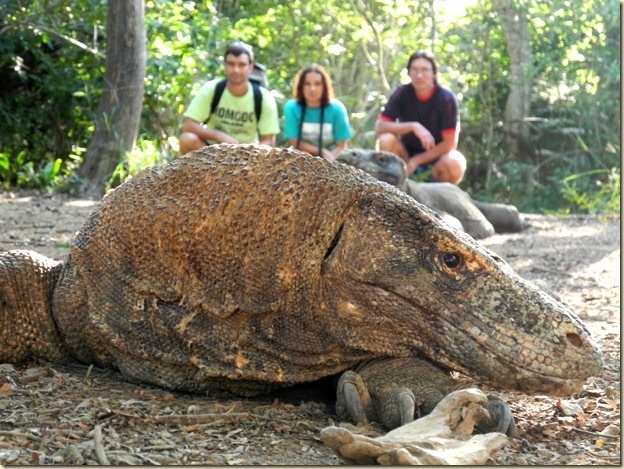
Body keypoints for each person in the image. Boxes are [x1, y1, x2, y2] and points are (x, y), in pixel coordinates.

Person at [375, 50, 466, 184]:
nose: (419, 75)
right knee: (386, 139)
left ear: (434, 73)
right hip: (404, 156)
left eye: (425, 70)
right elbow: (380, 127)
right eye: (414, 70)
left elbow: (450, 143)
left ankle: (440, 198)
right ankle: (391, 186)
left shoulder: (446, 98)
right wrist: (413, 126)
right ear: (409, 73)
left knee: (455, 162)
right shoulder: (402, 92)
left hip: (436, 161)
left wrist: (416, 161)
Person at [179, 43, 280, 155]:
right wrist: (219, 136)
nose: (236, 70)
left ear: (250, 67)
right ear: (225, 65)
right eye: (231, 64)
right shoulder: (211, 89)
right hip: (211, 152)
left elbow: (268, 140)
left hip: (247, 157)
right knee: (187, 139)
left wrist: (251, 153)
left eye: (241, 65)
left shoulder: (264, 98)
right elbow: (188, 125)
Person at [283, 64, 352, 162]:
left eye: (317, 84)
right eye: (307, 84)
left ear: (324, 86)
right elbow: (294, 141)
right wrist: (321, 152)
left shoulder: (337, 109)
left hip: (333, 159)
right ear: (300, 86)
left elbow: (341, 145)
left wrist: (328, 160)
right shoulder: (291, 108)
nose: (312, 88)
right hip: (300, 159)